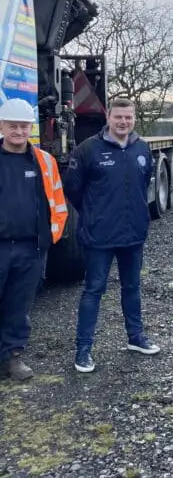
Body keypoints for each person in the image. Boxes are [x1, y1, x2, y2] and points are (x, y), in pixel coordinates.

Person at [64, 98, 159, 373]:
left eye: (128, 117)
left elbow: (144, 182)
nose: (123, 122)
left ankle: (136, 337)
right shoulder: (88, 150)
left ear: (134, 118)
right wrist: (94, 213)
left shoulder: (142, 148)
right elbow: (73, 190)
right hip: (99, 237)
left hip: (133, 235)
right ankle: (83, 350)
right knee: (94, 290)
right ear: (108, 116)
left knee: (132, 288)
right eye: (118, 117)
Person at [0, 98, 67, 380]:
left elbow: (58, 202)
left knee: (19, 304)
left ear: (31, 128)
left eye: (24, 126)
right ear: (2, 126)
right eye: (13, 125)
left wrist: (51, 238)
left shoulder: (45, 162)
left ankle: (12, 356)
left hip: (31, 247)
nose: (19, 131)